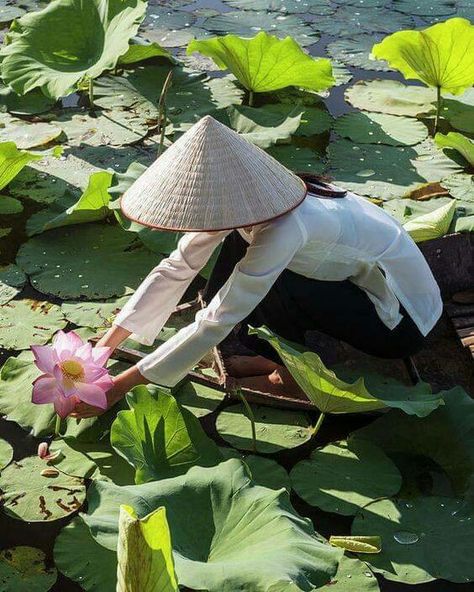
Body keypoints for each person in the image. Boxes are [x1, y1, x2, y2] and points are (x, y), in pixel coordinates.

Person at [70, 115, 443, 419]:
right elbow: (179, 265)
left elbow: (220, 316)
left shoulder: (287, 226)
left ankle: (291, 375)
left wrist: (118, 388)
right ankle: (269, 352)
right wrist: (102, 349)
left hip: (400, 321)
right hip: (352, 286)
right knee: (239, 246)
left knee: (265, 278)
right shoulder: (257, 198)